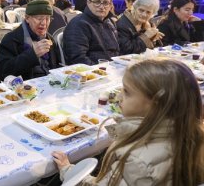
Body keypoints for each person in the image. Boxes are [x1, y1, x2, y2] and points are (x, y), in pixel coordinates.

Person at [53, 59, 204, 185]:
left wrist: (69, 171)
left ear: (155, 103)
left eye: (126, 91)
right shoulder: (191, 133)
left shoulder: (137, 161)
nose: (119, 97)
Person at [0, 0, 61, 80]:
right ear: (27, 18)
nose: (44, 23)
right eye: (39, 18)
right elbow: (4, 72)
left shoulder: (49, 38)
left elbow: (56, 66)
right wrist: (32, 54)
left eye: (47, 19)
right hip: (25, 87)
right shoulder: (12, 39)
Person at [63, 0, 119, 65]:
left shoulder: (110, 22)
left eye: (106, 3)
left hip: (112, 69)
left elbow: (117, 51)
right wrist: (102, 71)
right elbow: (78, 59)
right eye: (97, 2)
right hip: (92, 73)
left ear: (110, 5)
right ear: (88, 3)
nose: (101, 6)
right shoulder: (78, 24)